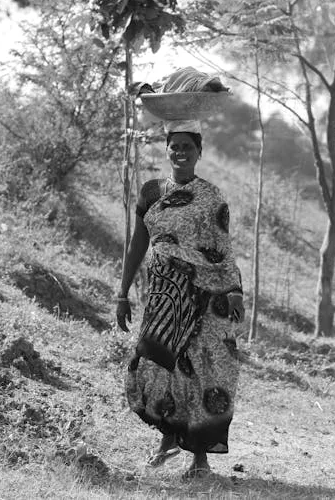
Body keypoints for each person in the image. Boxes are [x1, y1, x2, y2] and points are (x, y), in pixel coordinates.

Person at [116, 120, 244, 479]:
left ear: (199, 152)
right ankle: (167, 441)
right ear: (167, 149)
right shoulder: (151, 192)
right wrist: (122, 293)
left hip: (203, 293)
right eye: (175, 146)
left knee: (201, 369)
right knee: (156, 363)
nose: (181, 152)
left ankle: (199, 459)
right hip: (162, 293)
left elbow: (222, 247)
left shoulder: (212, 197)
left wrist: (233, 289)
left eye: (189, 146)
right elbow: (137, 245)